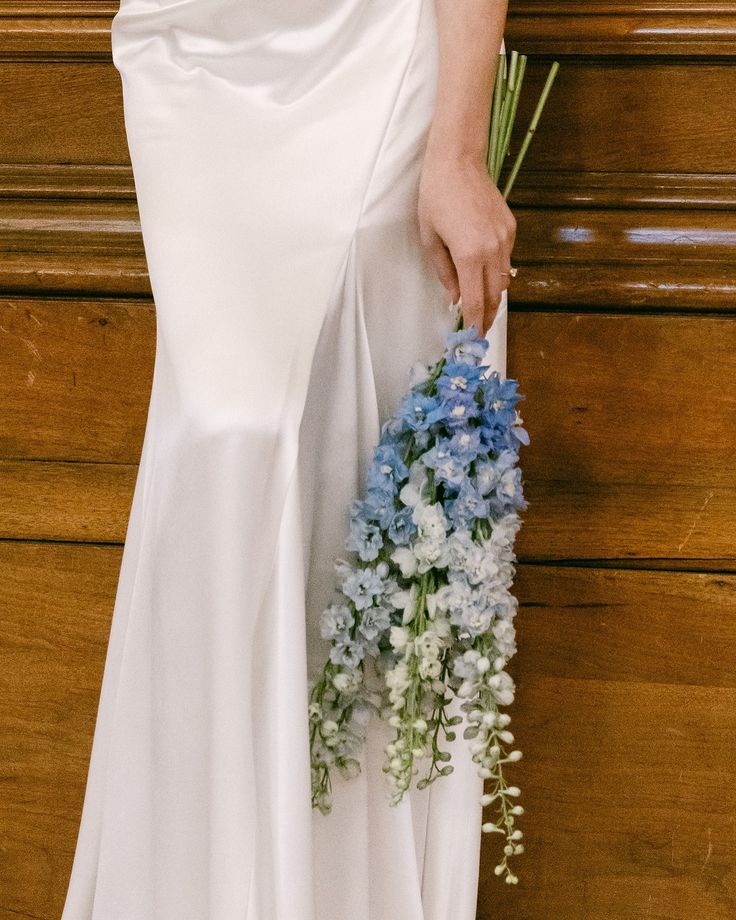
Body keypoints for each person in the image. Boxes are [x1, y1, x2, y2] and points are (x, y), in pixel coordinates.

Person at [60, 1, 516, 917]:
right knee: (221, 452)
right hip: (196, 61)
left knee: (353, 485)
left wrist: (458, 147)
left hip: (373, 45)